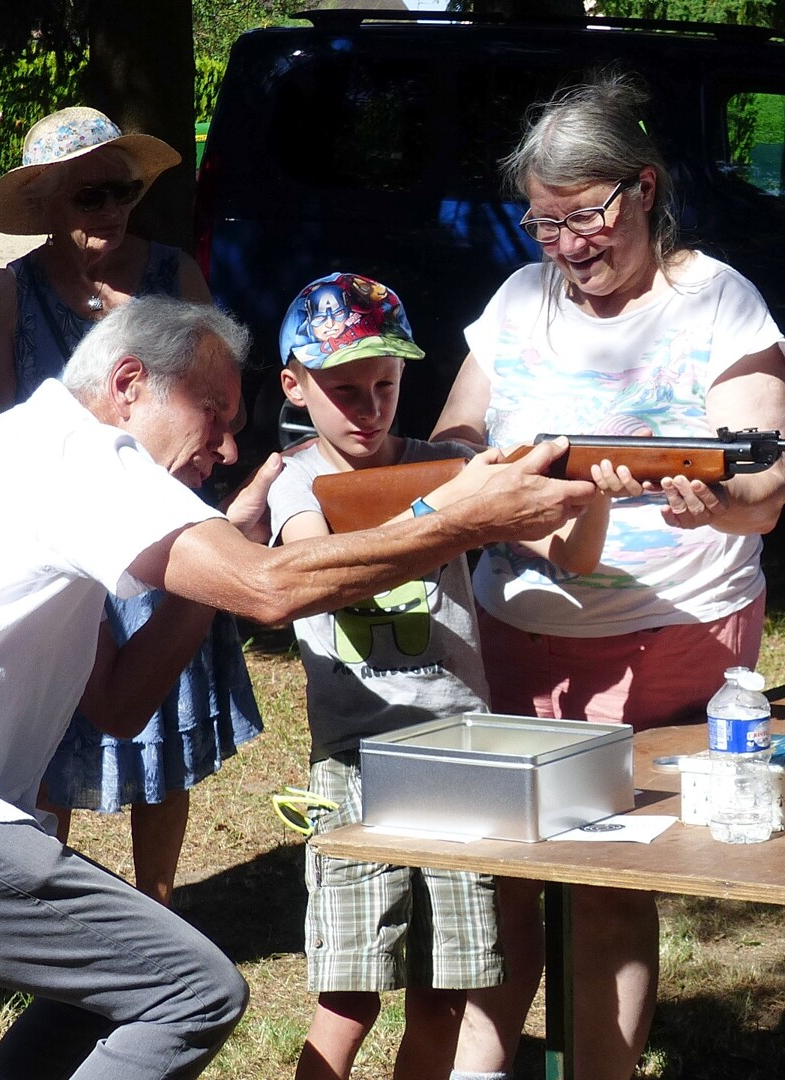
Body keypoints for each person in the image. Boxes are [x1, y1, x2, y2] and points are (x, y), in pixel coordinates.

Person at [0, 297, 599, 1080]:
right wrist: (458, 520)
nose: (225, 447)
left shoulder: (30, 454)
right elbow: (272, 589)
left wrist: (225, 552)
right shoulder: (80, 458)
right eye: (213, 413)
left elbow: (119, 705)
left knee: (111, 991)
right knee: (193, 991)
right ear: (127, 387)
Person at [430, 71, 785, 1080]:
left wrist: (703, 498)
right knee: (502, 880)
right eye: (543, 226)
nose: (569, 247)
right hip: (515, 633)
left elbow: (766, 487)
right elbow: (455, 435)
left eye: (585, 217)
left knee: (608, 884)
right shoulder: (516, 302)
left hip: (669, 640)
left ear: (643, 187)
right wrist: (484, 475)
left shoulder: (718, 301)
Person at [269, 273, 616, 1080]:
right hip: (358, 762)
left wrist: (591, 489)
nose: (368, 407)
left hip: (461, 758)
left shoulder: (448, 467)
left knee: (444, 995)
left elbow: (576, 560)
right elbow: (323, 567)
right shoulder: (297, 481)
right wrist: (451, 513)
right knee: (348, 995)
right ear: (295, 386)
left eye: (384, 385)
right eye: (343, 388)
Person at [0, 105, 259, 908]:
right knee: (47, 728)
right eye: (90, 195)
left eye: (123, 191)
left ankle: (158, 901)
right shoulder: (7, 294)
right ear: (49, 204)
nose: (112, 211)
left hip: (160, 528)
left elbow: (214, 393)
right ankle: (42, 905)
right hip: (59, 546)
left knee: (163, 713)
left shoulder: (174, 276)